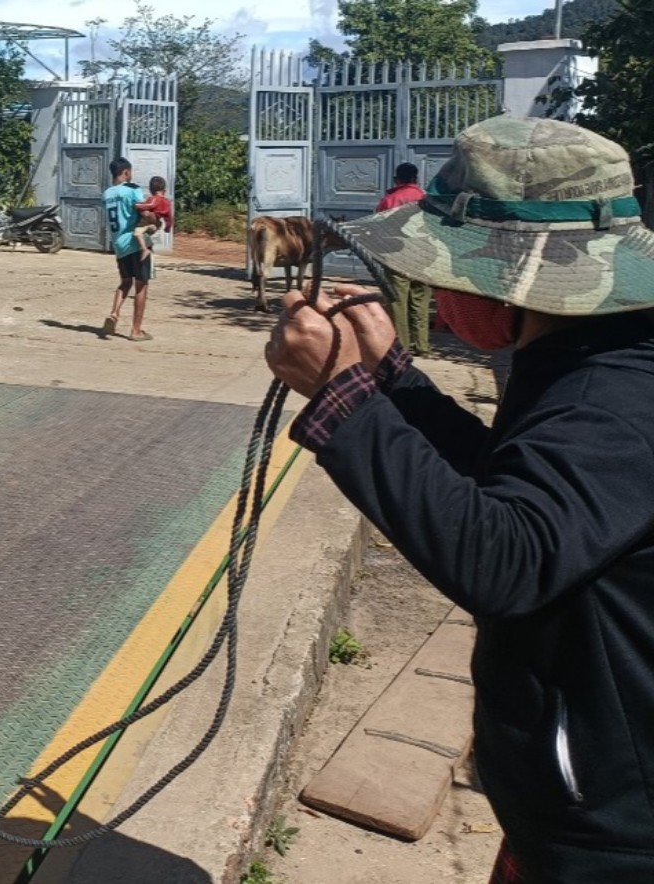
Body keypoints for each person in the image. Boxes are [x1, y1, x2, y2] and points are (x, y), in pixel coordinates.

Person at [264, 116, 654, 883]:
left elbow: (504, 556)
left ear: (518, 277)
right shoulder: (585, 353)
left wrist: (344, 398)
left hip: (611, 833)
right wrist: (396, 381)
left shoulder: (614, 397)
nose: (442, 290)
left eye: (455, 271)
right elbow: (519, 491)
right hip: (575, 796)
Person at [376, 162, 433, 355]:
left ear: (397, 179)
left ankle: (402, 346)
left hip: (396, 257)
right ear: (416, 179)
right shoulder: (427, 199)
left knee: (397, 302)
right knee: (420, 301)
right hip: (424, 258)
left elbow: (379, 228)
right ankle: (422, 345)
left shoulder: (389, 200)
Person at [101, 157, 153, 342]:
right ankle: (136, 330)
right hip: (136, 244)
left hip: (119, 245)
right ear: (125, 173)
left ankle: (114, 313)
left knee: (125, 282)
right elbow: (144, 212)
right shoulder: (132, 190)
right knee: (141, 285)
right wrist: (155, 218)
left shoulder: (107, 194)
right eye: (130, 172)